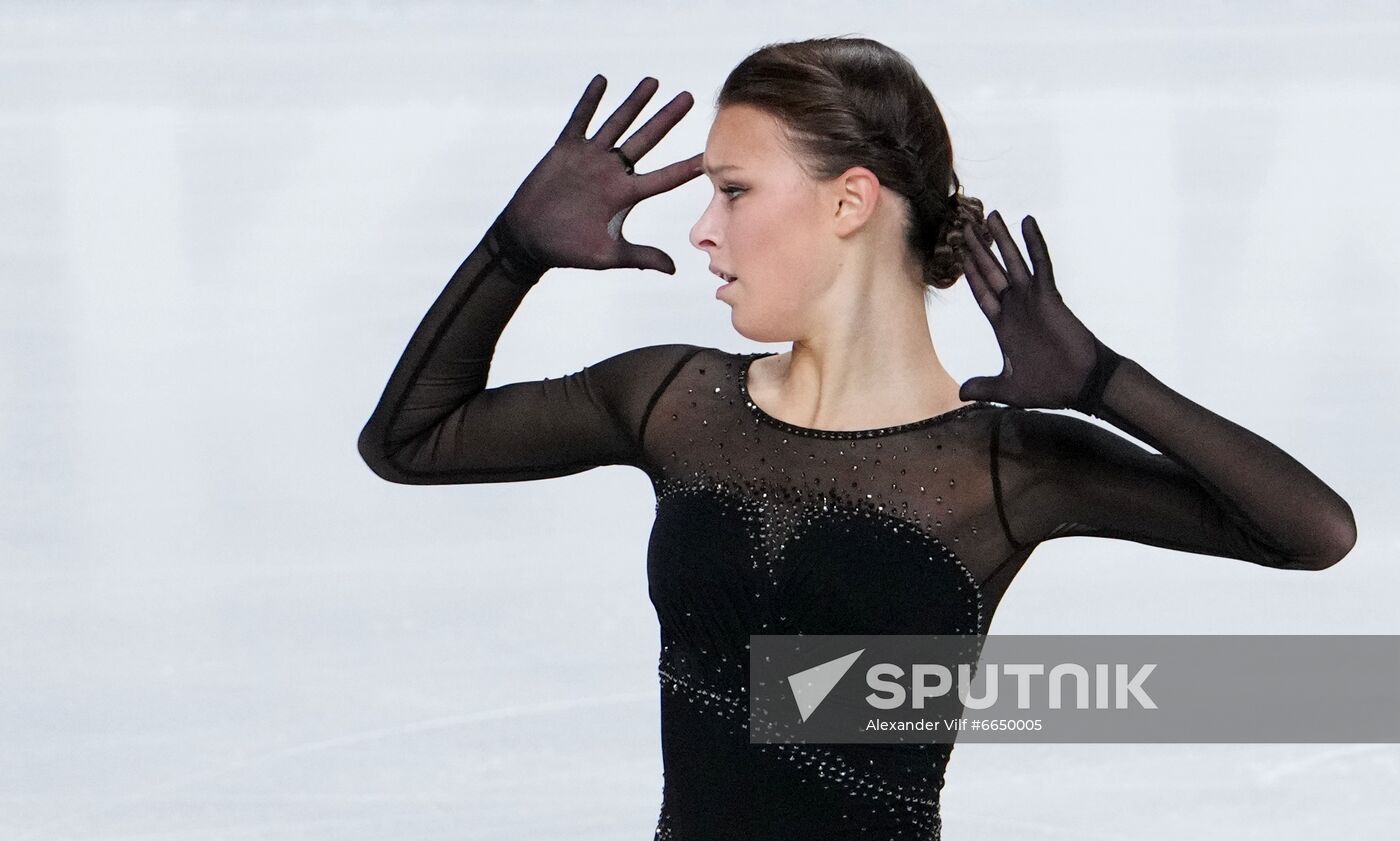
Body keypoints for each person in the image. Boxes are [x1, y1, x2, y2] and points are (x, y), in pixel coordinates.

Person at [357, 37, 1356, 841]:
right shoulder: (674, 397)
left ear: (847, 200)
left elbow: (1309, 531)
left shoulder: (1002, 467)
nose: (703, 228)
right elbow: (410, 440)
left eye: (733, 189)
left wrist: (1104, 384)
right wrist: (511, 250)